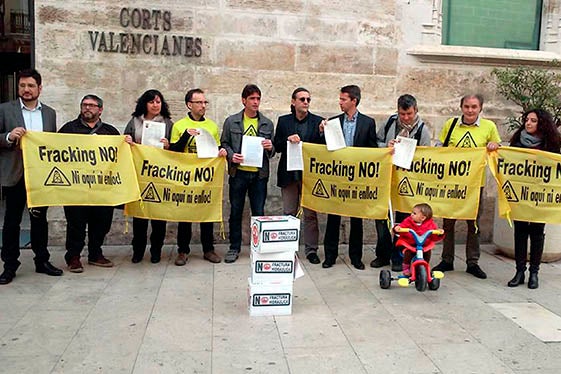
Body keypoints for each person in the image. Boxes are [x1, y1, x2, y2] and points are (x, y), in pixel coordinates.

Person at [0, 69, 63, 284]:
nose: (26, 90)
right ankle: (9, 265)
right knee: (12, 221)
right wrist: (8, 136)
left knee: (39, 220)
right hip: (16, 174)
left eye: (31, 86)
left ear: (40, 88)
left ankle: (42, 260)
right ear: (18, 88)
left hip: (39, 176)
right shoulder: (4, 110)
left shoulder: (50, 113)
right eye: (22, 86)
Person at [432, 94, 500, 279]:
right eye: (467, 106)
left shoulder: (489, 127)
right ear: (461, 107)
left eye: (474, 107)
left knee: (474, 224)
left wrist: (494, 146)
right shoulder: (451, 125)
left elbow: (496, 149)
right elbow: (440, 146)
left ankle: (473, 262)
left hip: (475, 185)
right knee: (448, 223)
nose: (470, 110)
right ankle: (447, 259)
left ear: (480, 108)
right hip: (452, 184)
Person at [58, 94, 121, 273]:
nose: (87, 108)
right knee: (75, 223)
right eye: (84, 105)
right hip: (76, 187)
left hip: (102, 188)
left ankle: (95, 253)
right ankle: (73, 257)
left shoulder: (110, 131)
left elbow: (120, 156)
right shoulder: (68, 129)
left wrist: (127, 144)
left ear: (100, 110)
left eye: (92, 106)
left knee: (101, 222)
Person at [371, 94, 432, 272]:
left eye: (409, 114)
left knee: (404, 221)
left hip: (408, 181)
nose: (405, 118)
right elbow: (376, 142)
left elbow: (427, 157)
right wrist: (386, 147)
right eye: (402, 114)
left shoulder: (423, 130)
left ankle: (398, 256)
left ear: (416, 111)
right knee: (383, 217)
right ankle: (382, 254)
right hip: (387, 178)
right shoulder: (390, 122)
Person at [320, 85, 377, 270]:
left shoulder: (368, 123)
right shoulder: (334, 121)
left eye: (344, 99)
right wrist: (322, 131)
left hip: (357, 178)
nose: (340, 102)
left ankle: (356, 257)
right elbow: (324, 147)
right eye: (340, 99)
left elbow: (372, 149)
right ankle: (330, 255)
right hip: (338, 175)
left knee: (356, 219)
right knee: (333, 217)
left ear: (354, 101)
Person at [169, 88, 227, 266]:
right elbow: (173, 152)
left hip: (206, 178)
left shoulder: (211, 126)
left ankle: (208, 249)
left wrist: (222, 152)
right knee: (185, 215)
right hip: (185, 177)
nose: (203, 106)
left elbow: (215, 150)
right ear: (189, 105)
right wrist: (186, 136)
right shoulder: (179, 126)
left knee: (206, 213)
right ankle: (182, 250)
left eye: (205, 102)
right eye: (199, 102)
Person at [220, 84, 274, 263]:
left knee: (258, 212)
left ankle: (257, 248)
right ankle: (234, 247)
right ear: (244, 100)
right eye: (252, 98)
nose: (256, 102)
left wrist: (270, 147)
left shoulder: (267, 123)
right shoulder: (232, 121)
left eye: (258, 98)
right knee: (236, 211)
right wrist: (230, 155)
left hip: (259, 176)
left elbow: (272, 151)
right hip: (238, 174)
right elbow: (224, 144)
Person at [507, 109, 561, 289]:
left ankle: (534, 273)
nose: (528, 123)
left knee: (537, 232)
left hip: (540, 196)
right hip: (520, 195)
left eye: (533, 120)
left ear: (542, 123)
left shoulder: (553, 145)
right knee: (520, 232)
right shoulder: (517, 142)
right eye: (526, 120)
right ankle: (519, 271)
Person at [273, 87, 324, 264]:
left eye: (308, 99)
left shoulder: (318, 121)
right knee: (289, 213)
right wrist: (287, 139)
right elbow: (276, 146)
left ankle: (311, 250)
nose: (306, 102)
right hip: (289, 174)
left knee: (310, 214)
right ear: (293, 102)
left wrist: (323, 132)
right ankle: (288, 249)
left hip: (309, 175)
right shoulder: (284, 121)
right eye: (302, 99)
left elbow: (324, 148)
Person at [124, 89, 172, 264]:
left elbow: (174, 151)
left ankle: (156, 250)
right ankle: (138, 250)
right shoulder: (135, 121)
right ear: (145, 104)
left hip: (160, 175)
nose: (155, 105)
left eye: (158, 102)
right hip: (139, 174)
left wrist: (168, 145)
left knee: (159, 215)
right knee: (140, 215)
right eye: (152, 102)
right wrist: (128, 142)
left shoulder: (168, 123)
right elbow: (124, 142)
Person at [394, 203, 443, 276]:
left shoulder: (430, 224)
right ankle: (406, 267)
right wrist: (398, 228)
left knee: (427, 253)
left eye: (414, 213)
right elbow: (402, 226)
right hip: (411, 244)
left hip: (424, 245)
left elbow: (434, 236)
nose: (412, 215)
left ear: (423, 218)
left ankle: (425, 266)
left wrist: (439, 233)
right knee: (408, 254)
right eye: (412, 213)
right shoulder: (408, 221)